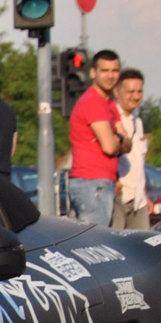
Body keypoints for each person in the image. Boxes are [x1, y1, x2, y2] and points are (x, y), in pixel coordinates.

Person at [68, 50, 126, 226]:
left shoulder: (109, 103)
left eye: (114, 71)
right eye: (104, 70)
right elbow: (109, 146)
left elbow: (126, 143)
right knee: (94, 241)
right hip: (92, 183)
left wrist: (118, 138)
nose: (110, 76)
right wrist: (117, 138)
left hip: (100, 182)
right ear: (93, 72)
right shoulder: (93, 101)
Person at [113, 68, 150, 229]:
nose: (135, 96)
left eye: (139, 91)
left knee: (140, 250)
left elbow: (139, 162)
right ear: (117, 91)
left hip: (139, 201)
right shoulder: (111, 117)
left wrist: (145, 194)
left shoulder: (137, 121)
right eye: (130, 91)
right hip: (118, 198)